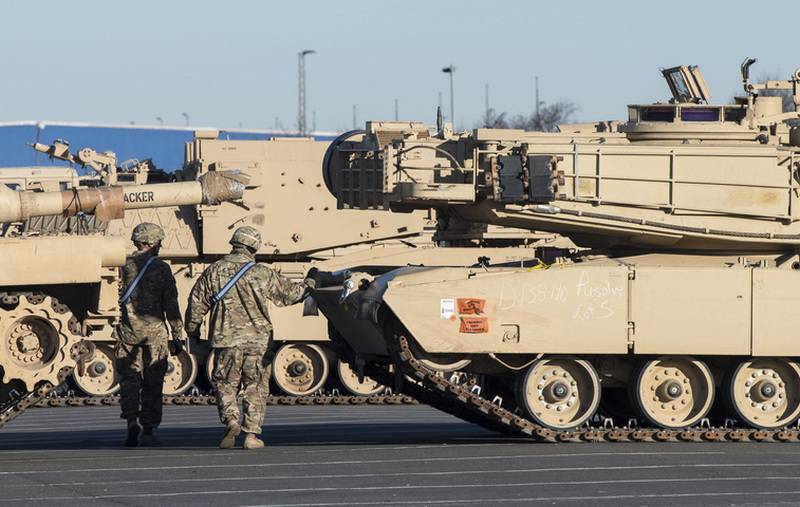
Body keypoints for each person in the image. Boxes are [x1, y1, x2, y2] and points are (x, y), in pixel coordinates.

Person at [185, 226, 313, 450]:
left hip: (226, 340)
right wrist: (309, 285)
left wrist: (192, 330)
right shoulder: (262, 272)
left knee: (225, 383)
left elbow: (196, 303)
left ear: (233, 243)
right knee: (255, 386)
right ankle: (251, 436)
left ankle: (231, 420)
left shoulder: (213, 271)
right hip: (258, 342)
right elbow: (291, 295)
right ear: (253, 247)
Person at [116, 222, 184, 447]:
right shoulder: (162, 269)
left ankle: (131, 422)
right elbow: (171, 305)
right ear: (152, 243)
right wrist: (177, 334)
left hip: (128, 332)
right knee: (153, 383)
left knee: (129, 380)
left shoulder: (122, 266)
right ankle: (148, 431)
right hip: (155, 335)